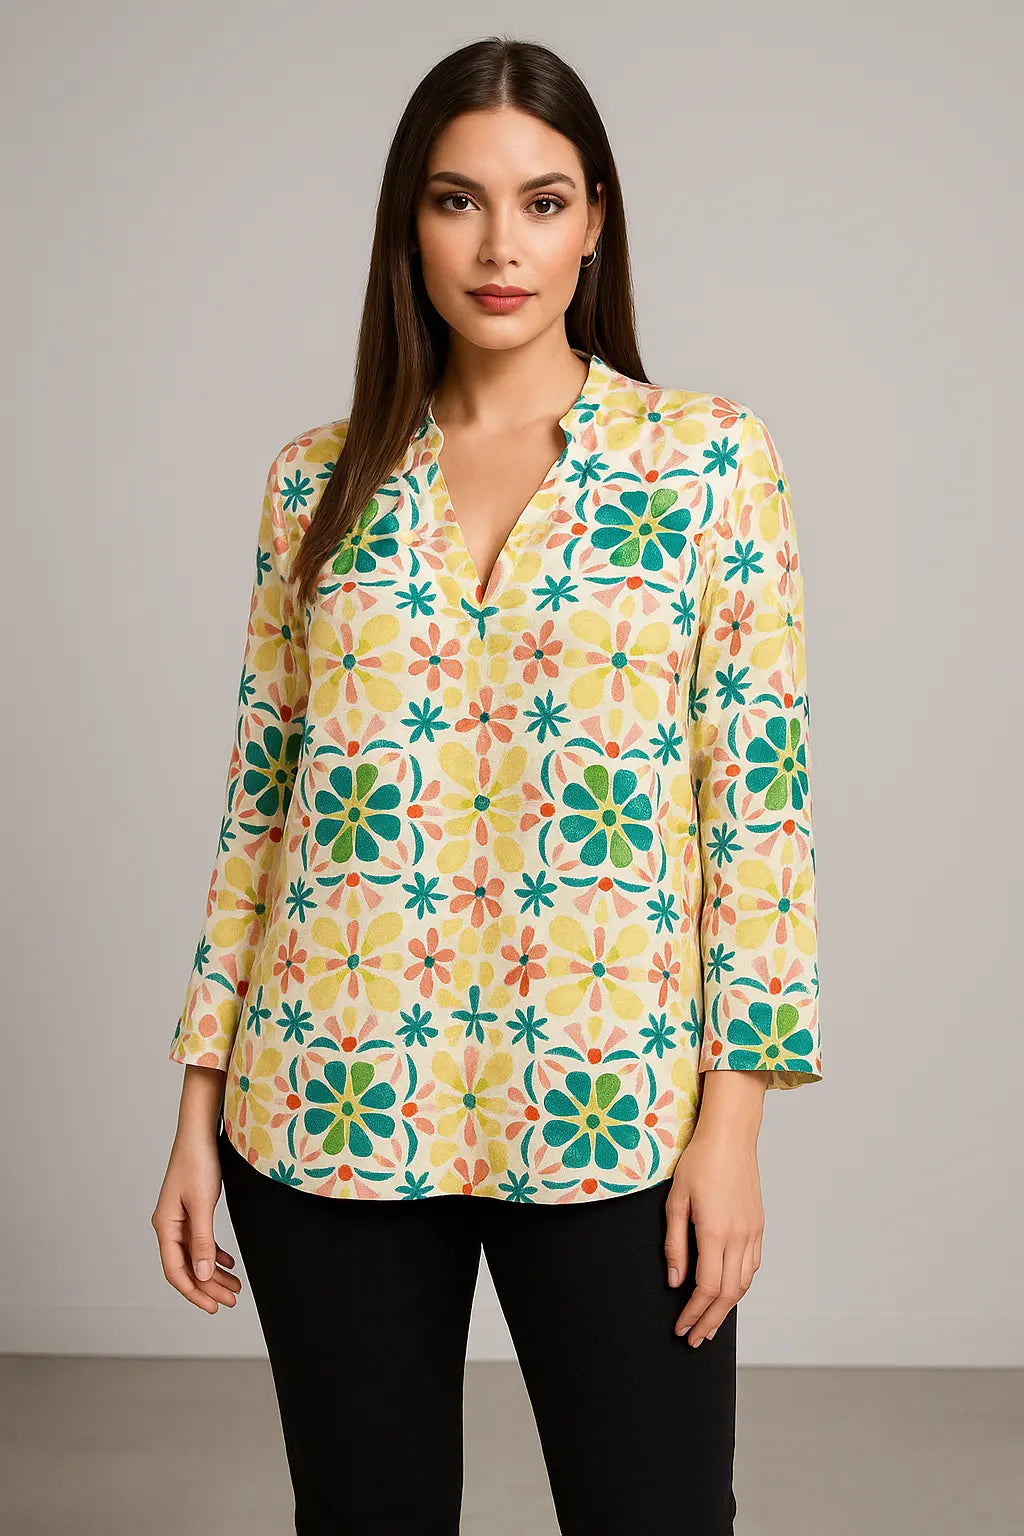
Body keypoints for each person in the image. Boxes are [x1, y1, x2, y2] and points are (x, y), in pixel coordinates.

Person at [152, 34, 821, 1536]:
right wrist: (195, 1104)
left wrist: (731, 1131)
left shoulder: (707, 464)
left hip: (607, 1107)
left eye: (542, 201)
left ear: (596, 224)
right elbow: (261, 809)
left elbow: (759, 815)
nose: (500, 245)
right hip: (327, 1098)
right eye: (458, 201)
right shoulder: (316, 481)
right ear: (411, 224)